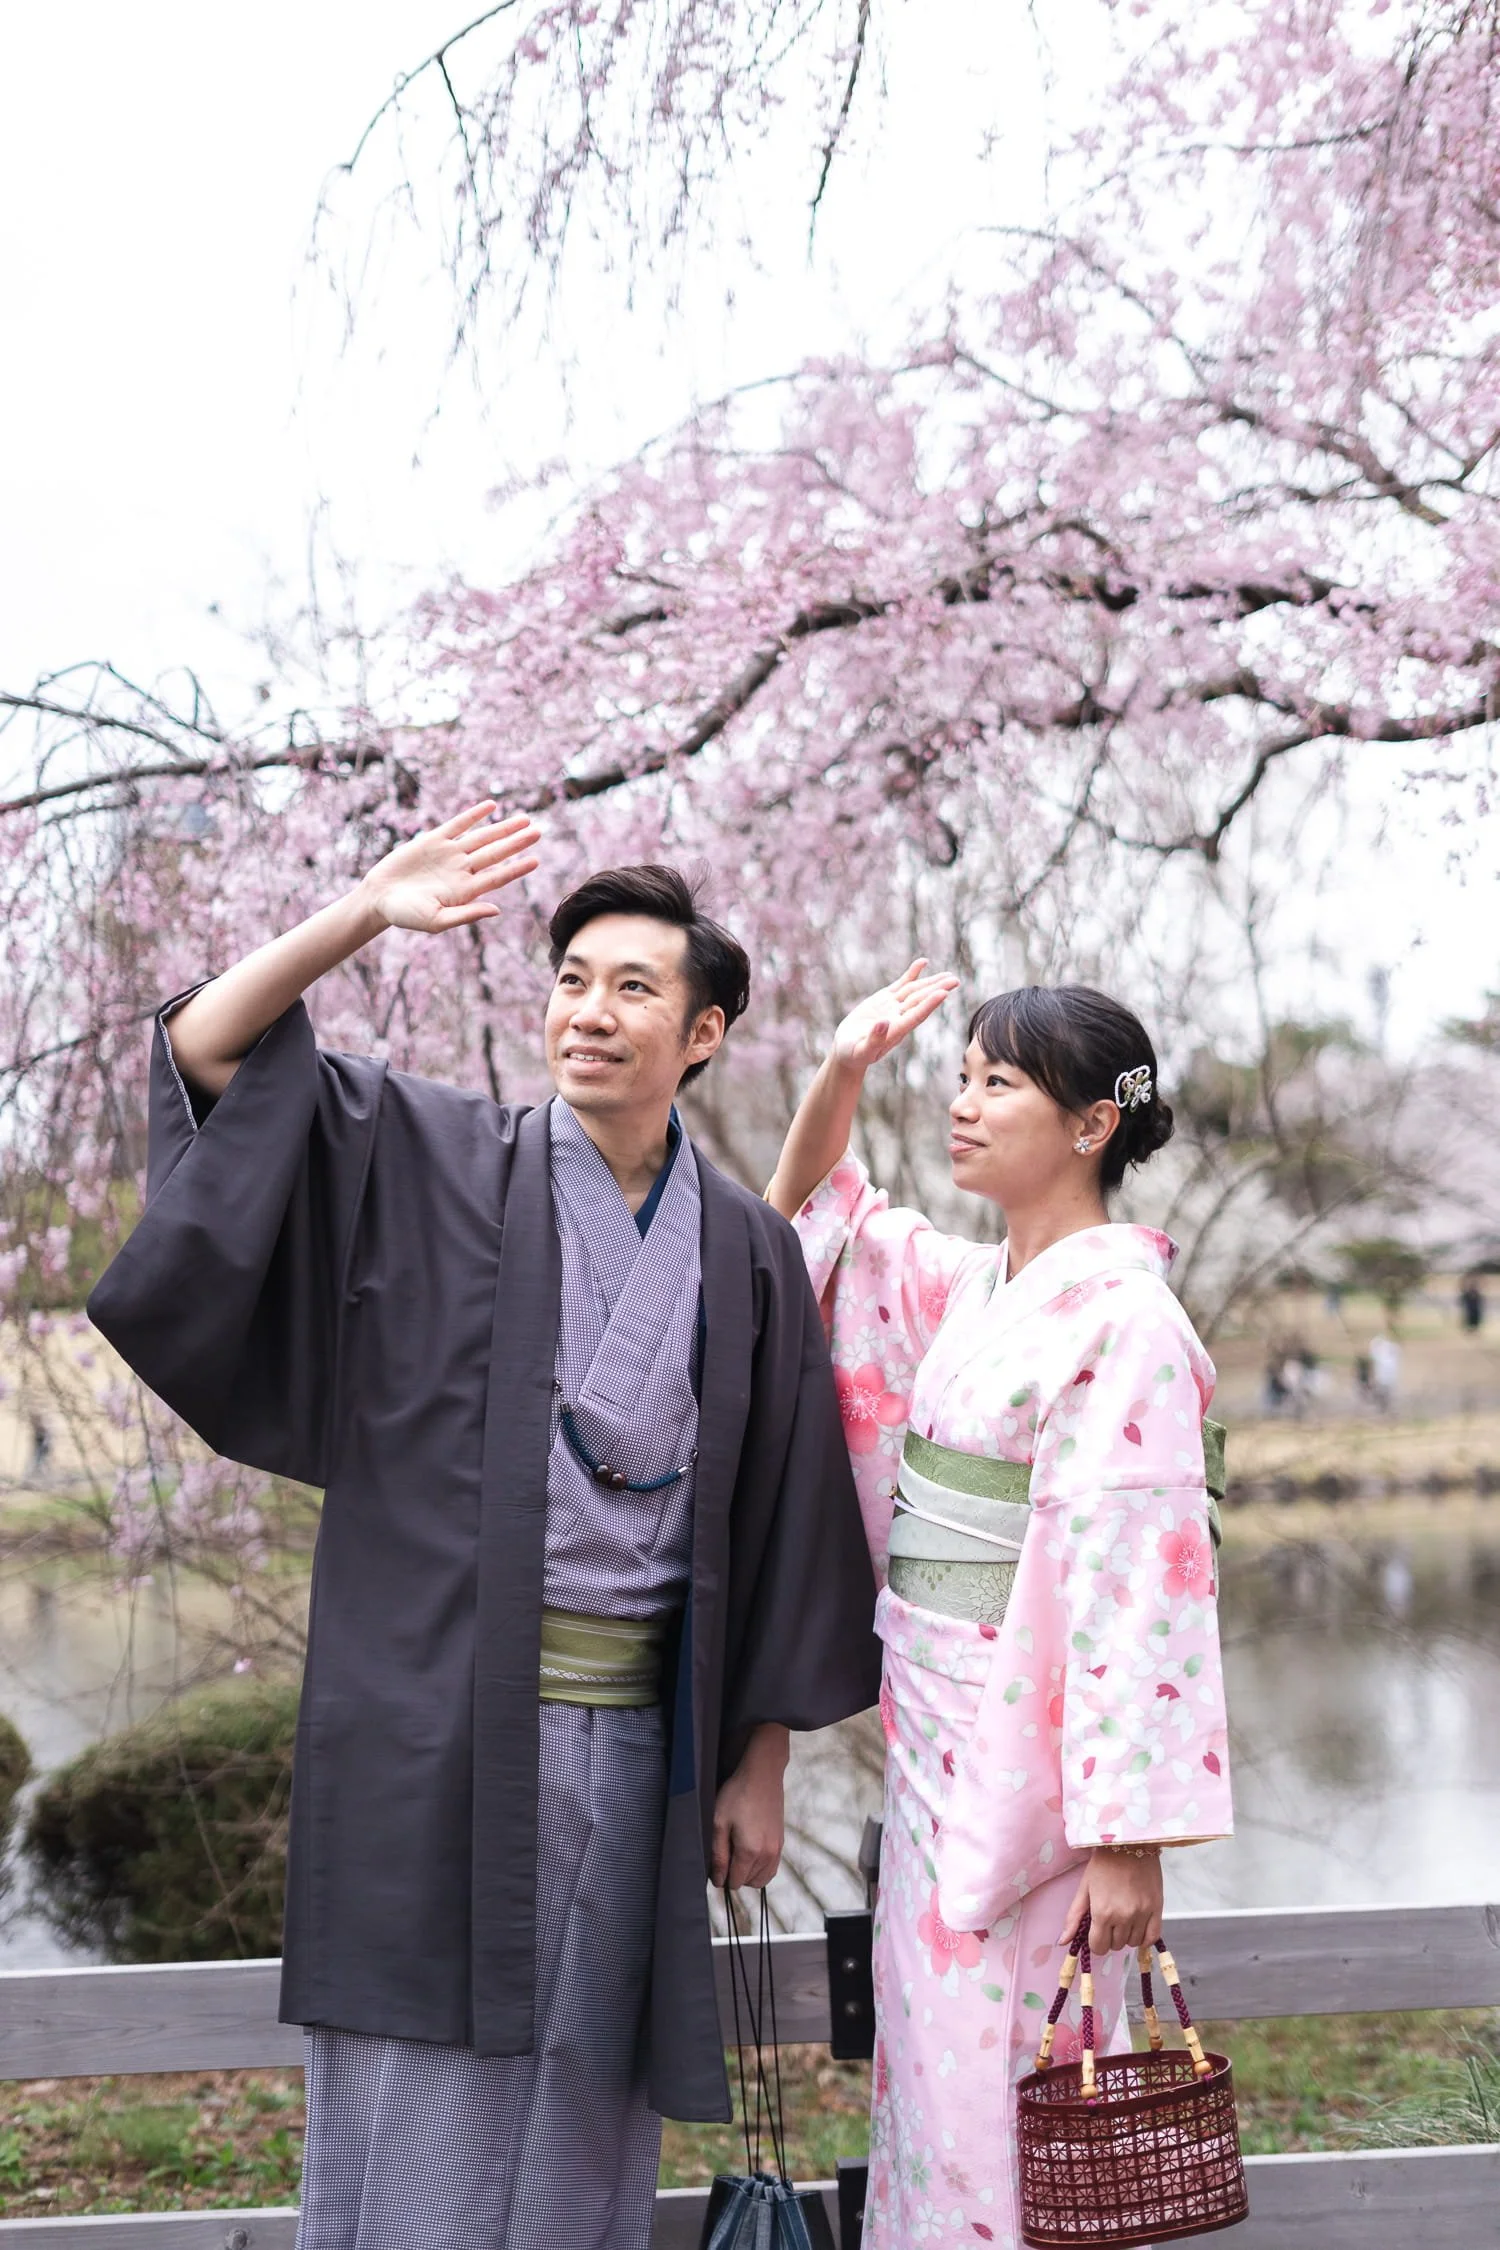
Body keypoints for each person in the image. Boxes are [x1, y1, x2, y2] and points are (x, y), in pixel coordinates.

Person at [88, 804, 881, 2250]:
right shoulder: (427, 1154)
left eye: (634, 987)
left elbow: (787, 1512)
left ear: (703, 1034)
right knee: (416, 2107)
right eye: (572, 978)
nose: (590, 1011)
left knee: (590, 2113)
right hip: (436, 1735)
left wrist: (757, 1761)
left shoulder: (747, 1247)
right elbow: (209, 1055)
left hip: (645, 1751)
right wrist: (364, 909)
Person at [767, 967, 1232, 2250]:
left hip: (1041, 1781)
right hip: (938, 1737)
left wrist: (1128, 1836)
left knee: (1015, 2090)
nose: (962, 1105)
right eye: (962, 1077)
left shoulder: (1123, 1318)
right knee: (935, 2083)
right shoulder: (973, 1290)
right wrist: (845, 1066)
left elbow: (1139, 1578)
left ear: (1092, 1125)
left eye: (999, 1083)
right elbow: (811, 1211)